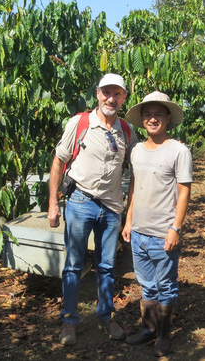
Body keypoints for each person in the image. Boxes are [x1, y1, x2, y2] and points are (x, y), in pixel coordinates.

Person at [48, 73, 138, 346]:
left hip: (111, 208)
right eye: (106, 93)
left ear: (124, 98)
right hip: (80, 203)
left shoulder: (126, 130)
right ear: (98, 93)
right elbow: (58, 162)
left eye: (117, 94)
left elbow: (138, 169)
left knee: (107, 267)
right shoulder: (80, 123)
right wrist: (53, 203)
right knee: (74, 266)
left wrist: (129, 214)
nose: (111, 98)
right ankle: (69, 321)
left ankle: (106, 316)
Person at [121, 91, 193, 357]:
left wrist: (175, 228)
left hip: (163, 234)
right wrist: (128, 221)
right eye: (148, 114)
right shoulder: (136, 150)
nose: (153, 119)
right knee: (147, 285)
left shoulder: (178, 151)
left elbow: (184, 191)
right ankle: (148, 329)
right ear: (142, 119)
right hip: (138, 232)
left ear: (168, 118)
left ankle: (163, 335)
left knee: (166, 286)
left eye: (158, 114)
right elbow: (133, 187)